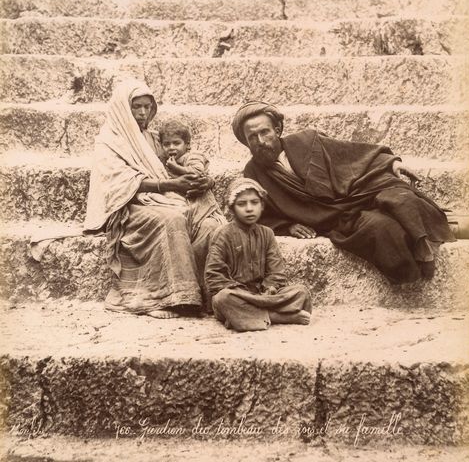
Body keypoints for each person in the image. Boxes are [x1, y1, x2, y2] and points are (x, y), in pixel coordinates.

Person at [231, 101, 457, 285]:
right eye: (252, 137)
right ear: (246, 142)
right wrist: (288, 226)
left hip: (356, 191)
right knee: (382, 228)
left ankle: (423, 243)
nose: (260, 141)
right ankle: (413, 269)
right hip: (334, 217)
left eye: (265, 132)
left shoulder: (307, 140)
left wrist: (391, 163)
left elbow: (350, 154)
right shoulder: (252, 172)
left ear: (277, 130)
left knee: (401, 197)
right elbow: (258, 212)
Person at [84, 79, 222, 318]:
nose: (142, 112)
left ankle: (210, 296)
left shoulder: (152, 138)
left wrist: (204, 181)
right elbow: (117, 185)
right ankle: (167, 297)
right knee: (171, 219)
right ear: (123, 108)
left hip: (163, 198)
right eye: (136, 106)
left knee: (209, 225)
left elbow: (183, 161)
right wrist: (168, 185)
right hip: (129, 206)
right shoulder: (108, 142)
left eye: (147, 107)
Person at [205, 177, 312, 332]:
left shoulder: (267, 233)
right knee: (223, 299)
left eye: (254, 202)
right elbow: (213, 276)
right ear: (232, 208)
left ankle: (251, 315)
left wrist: (270, 287)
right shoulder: (223, 234)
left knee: (301, 291)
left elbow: (276, 271)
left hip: (262, 294)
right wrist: (240, 291)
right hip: (237, 295)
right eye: (242, 204)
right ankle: (277, 316)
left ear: (262, 205)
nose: (249, 208)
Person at [158, 118, 225, 250]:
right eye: (167, 144)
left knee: (208, 230)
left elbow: (196, 174)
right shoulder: (164, 162)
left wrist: (176, 168)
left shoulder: (193, 156)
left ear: (187, 145)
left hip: (201, 205)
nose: (171, 148)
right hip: (182, 207)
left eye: (176, 143)